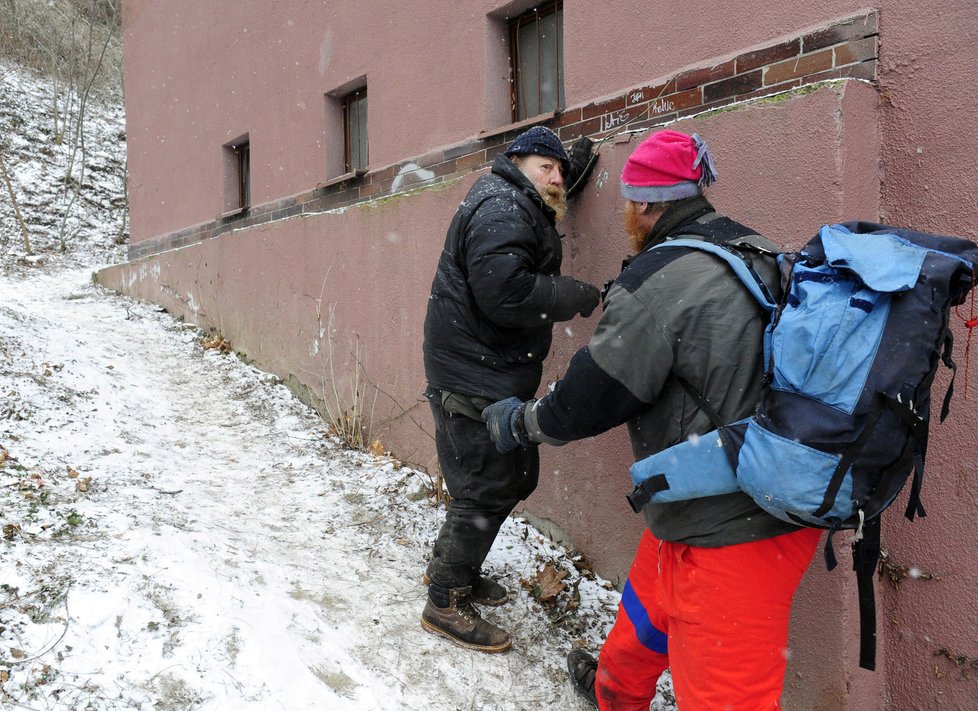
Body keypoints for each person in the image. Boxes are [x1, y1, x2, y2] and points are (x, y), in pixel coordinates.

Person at [483, 130, 822, 708]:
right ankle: (615, 691)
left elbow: (588, 399)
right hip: (710, 496)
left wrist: (520, 423)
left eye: (627, 204)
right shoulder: (753, 247)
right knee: (645, 619)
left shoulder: (656, 282)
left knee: (726, 697)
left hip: (734, 535)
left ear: (643, 204)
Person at [421, 125, 601, 653]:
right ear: (515, 161)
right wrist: (574, 295)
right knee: (485, 486)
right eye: (546, 167)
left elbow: (548, 202)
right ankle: (445, 600)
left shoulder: (513, 198)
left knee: (504, 478)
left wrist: (573, 163)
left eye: (561, 172)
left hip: (483, 369)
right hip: (472, 374)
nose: (556, 177)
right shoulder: (502, 207)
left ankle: (459, 570)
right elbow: (505, 293)